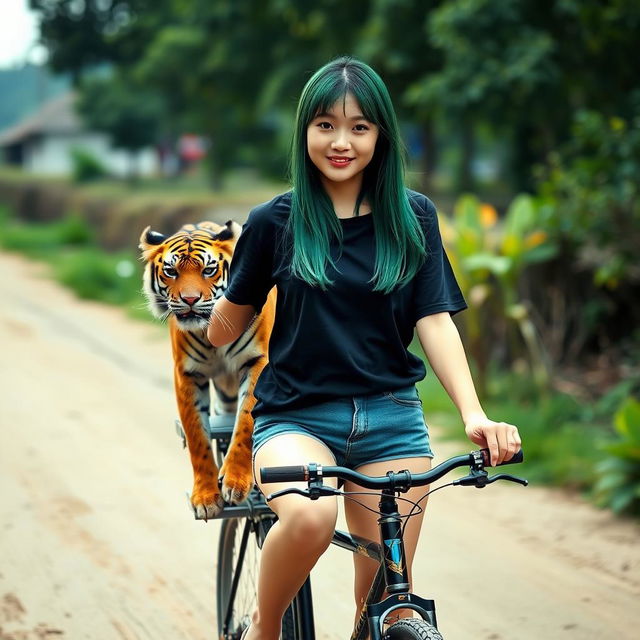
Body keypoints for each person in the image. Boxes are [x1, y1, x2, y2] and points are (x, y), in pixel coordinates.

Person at [207, 56, 521, 640]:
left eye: (359, 127)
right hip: (296, 415)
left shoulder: (413, 217)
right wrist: (208, 305)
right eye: (325, 125)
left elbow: (434, 320)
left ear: (381, 134)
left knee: (377, 603)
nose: (341, 142)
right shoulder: (275, 220)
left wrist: (473, 413)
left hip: (392, 419)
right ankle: (265, 627)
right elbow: (227, 326)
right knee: (311, 516)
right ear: (305, 132)